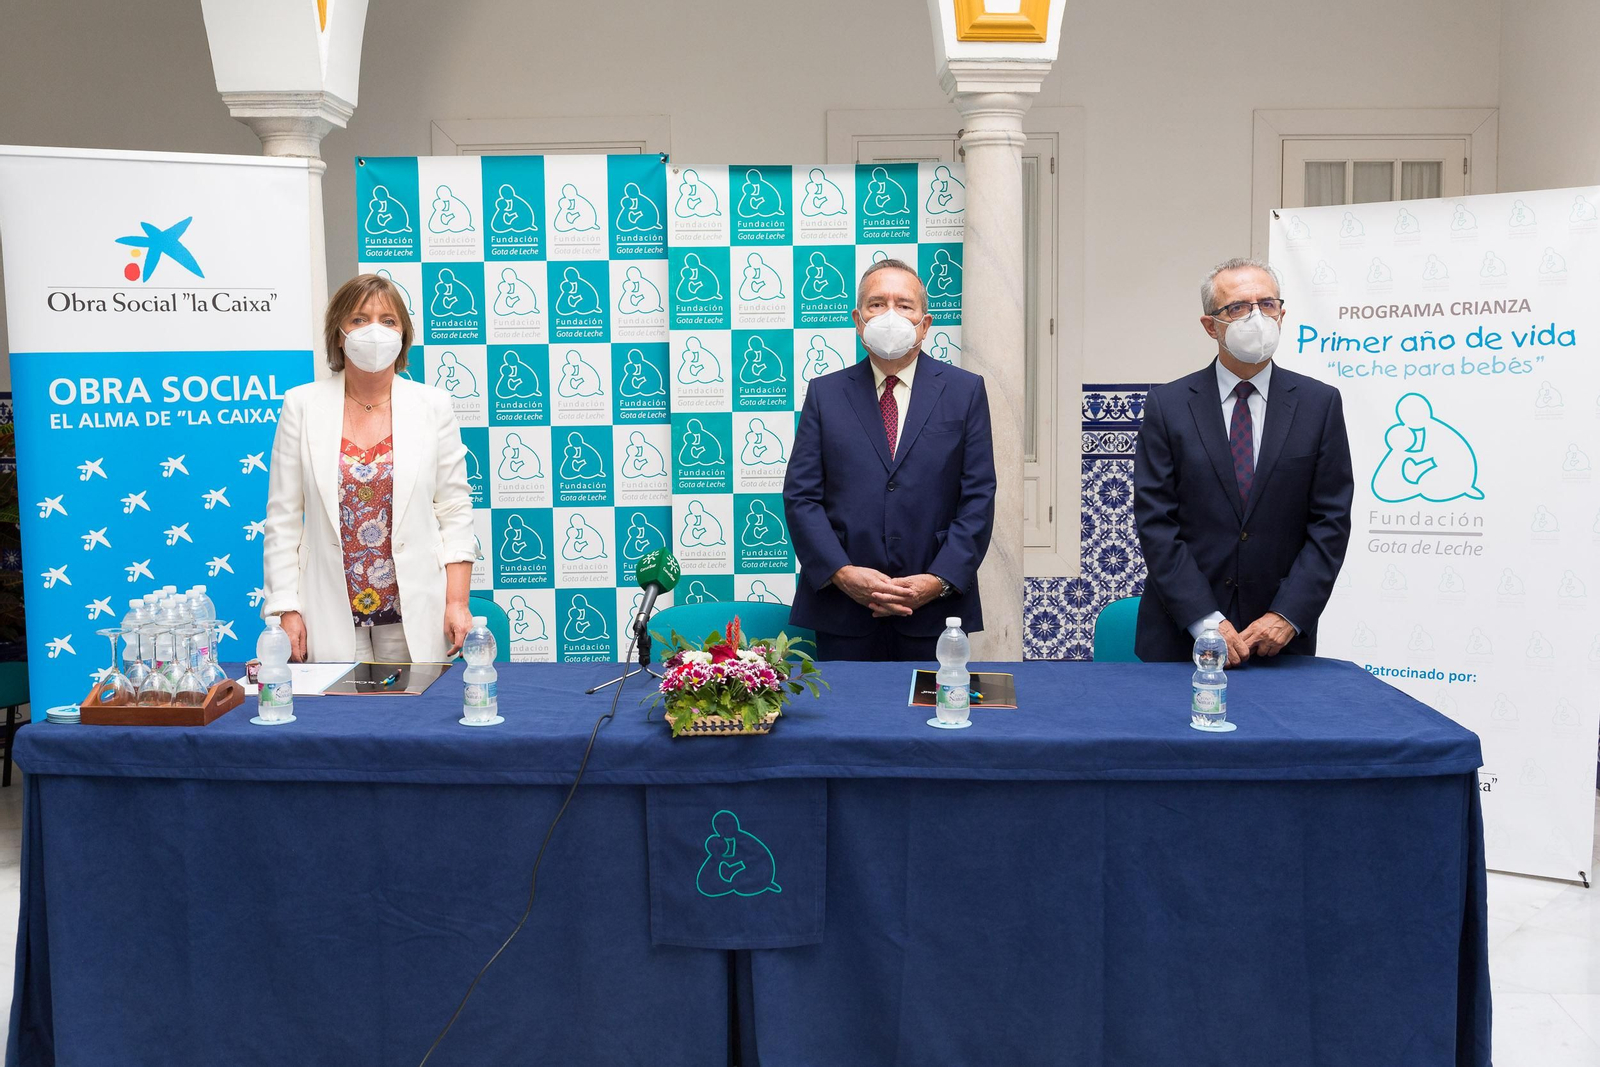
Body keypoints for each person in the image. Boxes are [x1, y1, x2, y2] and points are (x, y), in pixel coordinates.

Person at [1132, 258, 1352, 665]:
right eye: (1238, 307)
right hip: (1180, 639)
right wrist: (1204, 620)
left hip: (1279, 640)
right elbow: (1157, 524)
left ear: (1282, 314)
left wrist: (1287, 614)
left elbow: (1331, 524)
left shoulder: (1319, 405)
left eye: (1267, 304)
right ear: (1210, 326)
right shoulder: (1168, 406)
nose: (1256, 317)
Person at [783, 259, 995, 661]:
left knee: (930, 720)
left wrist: (938, 580)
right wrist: (843, 575)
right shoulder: (825, 394)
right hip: (843, 611)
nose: (891, 315)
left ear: (925, 322)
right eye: (877, 304)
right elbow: (801, 497)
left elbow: (979, 497)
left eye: (904, 304)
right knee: (844, 721)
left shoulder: (964, 391)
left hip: (935, 613)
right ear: (858, 320)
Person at [261, 274, 476, 663]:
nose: (375, 331)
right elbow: (283, 519)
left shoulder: (432, 406)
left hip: (414, 611)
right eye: (360, 319)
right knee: (337, 721)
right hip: (327, 610)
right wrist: (285, 608)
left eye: (388, 321)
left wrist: (457, 602)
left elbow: (455, 512)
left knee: (414, 720)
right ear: (339, 335)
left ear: (403, 335)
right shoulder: (302, 405)